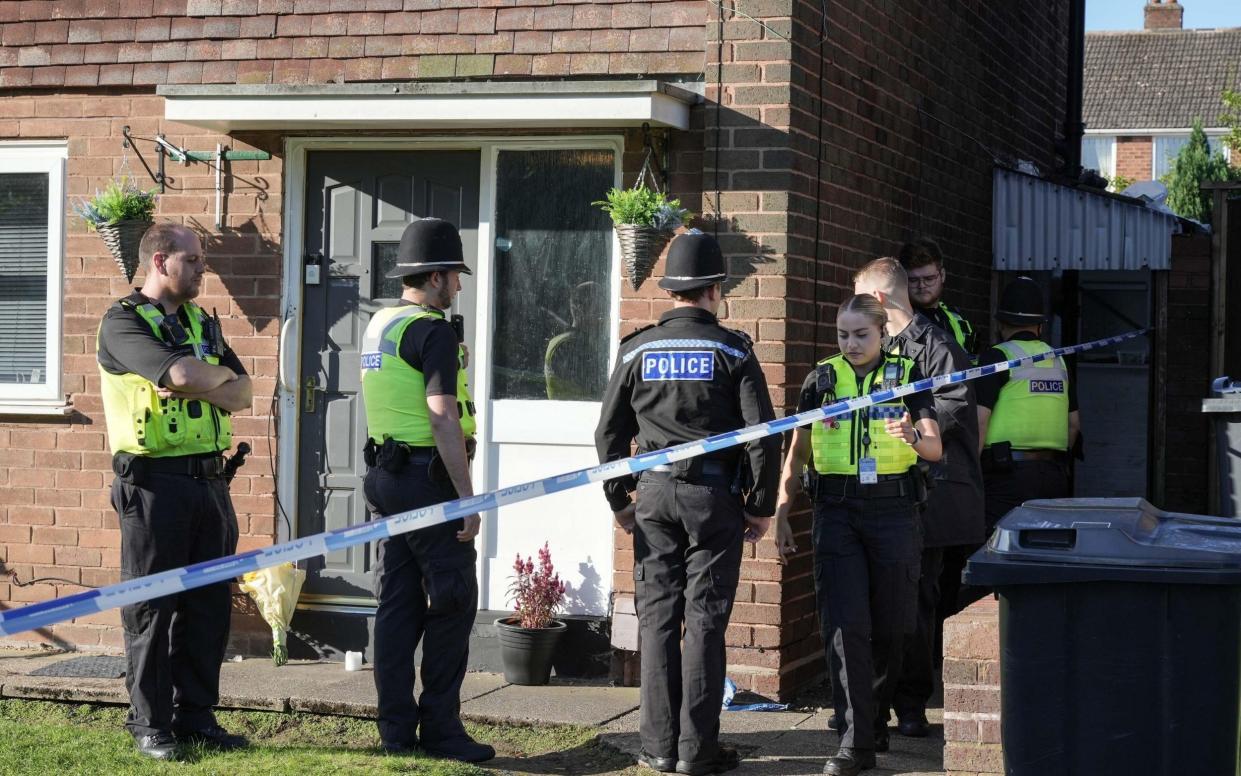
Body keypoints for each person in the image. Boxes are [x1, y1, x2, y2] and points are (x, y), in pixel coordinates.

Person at [595, 231, 781, 776]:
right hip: (712, 498)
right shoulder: (733, 349)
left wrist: (619, 501)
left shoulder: (636, 348)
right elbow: (762, 434)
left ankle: (656, 748)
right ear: (715, 290)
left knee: (657, 621)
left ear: (671, 289)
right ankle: (697, 751)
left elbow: (608, 434)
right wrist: (760, 503)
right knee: (703, 622)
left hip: (651, 495)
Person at [96, 222, 252, 761]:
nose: (202, 266)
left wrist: (203, 377)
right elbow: (180, 375)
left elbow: (245, 393)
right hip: (153, 488)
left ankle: (197, 718)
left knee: (208, 607)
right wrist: (209, 378)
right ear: (160, 261)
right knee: (150, 609)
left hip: (210, 484)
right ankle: (149, 723)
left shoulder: (200, 322)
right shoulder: (121, 322)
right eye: (193, 258)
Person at [773, 294, 942, 776]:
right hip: (837, 511)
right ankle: (855, 739)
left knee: (893, 625)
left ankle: (873, 716)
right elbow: (798, 452)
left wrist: (913, 437)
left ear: (882, 332)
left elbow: (934, 447)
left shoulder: (908, 375)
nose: (850, 343)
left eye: (860, 334)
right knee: (844, 625)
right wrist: (784, 512)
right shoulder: (820, 381)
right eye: (843, 334)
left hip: (894, 511)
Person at [360, 217, 493, 763]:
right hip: (425, 479)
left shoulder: (381, 324)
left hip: (386, 477)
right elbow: (442, 417)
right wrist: (466, 498)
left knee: (397, 604)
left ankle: (395, 730)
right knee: (454, 600)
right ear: (437, 277)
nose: (459, 285)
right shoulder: (433, 329)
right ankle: (441, 729)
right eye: (456, 275)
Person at [853, 257, 985, 741]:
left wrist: (909, 424)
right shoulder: (876, 344)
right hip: (885, 491)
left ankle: (910, 706)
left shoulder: (938, 346)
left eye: (863, 296)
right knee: (884, 601)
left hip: (932, 493)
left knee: (916, 602)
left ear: (882, 300)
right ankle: (876, 706)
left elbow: (952, 410)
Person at [975, 276, 1080, 530]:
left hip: (1005, 477)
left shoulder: (997, 357)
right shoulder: (1058, 361)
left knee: (997, 550)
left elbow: (979, 419)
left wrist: (971, 474)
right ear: (1040, 326)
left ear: (1000, 323)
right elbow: (1074, 425)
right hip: (1053, 475)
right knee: (1045, 550)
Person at [898, 238, 979, 360]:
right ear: (903, 280)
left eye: (929, 278)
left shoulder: (959, 319)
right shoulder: (896, 319)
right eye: (913, 280)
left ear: (942, 275)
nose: (922, 285)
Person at [545, 280, 607, 400]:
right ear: (580, 310)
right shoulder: (569, 346)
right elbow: (591, 388)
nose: (602, 318)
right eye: (598, 311)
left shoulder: (568, 342)